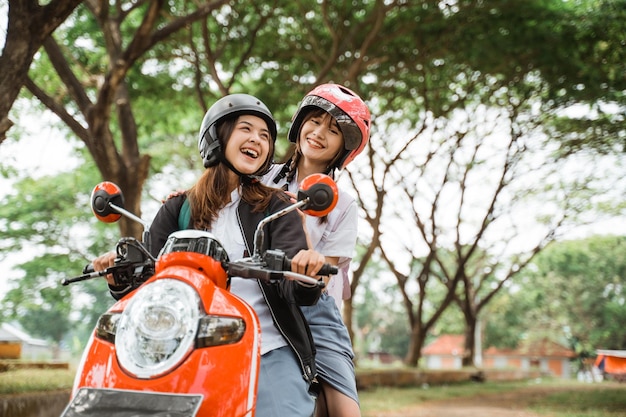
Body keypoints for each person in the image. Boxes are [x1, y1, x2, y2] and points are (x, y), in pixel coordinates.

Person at [93, 93, 328, 417]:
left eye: (265, 136)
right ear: (217, 136)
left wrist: (306, 271)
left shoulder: (277, 207)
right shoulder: (177, 207)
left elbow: (294, 285)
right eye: (246, 129)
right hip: (181, 347)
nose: (257, 141)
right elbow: (147, 283)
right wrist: (118, 275)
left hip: (265, 347)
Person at [264, 83, 371, 417]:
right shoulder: (260, 179)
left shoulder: (344, 206)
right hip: (257, 296)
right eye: (314, 121)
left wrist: (303, 221)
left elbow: (325, 274)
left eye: (334, 130)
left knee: (345, 412)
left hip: (312, 309)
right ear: (299, 125)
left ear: (344, 148)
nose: (319, 132)